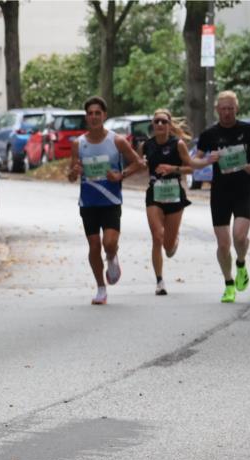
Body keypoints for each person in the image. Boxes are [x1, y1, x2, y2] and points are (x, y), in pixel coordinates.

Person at [67, 96, 145, 305]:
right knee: (93, 245)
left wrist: (121, 175)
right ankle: (101, 287)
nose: (93, 117)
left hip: (110, 200)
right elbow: (71, 175)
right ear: (86, 117)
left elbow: (138, 163)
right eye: (90, 113)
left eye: (97, 113)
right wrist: (74, 172)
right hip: (88, 202)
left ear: (104, 116)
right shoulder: (79, 144)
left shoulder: (116, 141)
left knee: (109, 243)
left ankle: (112, 256)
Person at [193, 91, 250, 303]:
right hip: (220, 193)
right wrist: (207, 160)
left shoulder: (248, 130)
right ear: (217, 110)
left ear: (236, 108)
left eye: (230, 108)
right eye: (223, 109)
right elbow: (193, 161)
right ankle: (229, 284)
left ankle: (241, 263)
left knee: (240, 238)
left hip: (243, 190)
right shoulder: (209, 135)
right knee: (223, 244)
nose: (227, 113)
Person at [141, 108, 194, 296]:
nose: (160, 125)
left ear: (170, 125)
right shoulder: (147, 145)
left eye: (164, 121)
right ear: (153, 125)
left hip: (174, 195)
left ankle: (174, 241)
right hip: (154, 194)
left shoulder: (178, 144)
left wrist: (173, 168)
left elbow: (190, 169)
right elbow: (141, 165)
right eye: (157, 122)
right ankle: (159, 281)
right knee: (157, 236)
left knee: (168, 247)